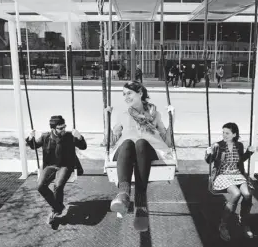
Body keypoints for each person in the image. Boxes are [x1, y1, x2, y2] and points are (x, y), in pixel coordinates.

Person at [104, 81, 175, 232]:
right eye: (124, 94)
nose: (126, 97)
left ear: (140, 93)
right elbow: (110, 141)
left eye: (129, 93)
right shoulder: (123, 115)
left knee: (141, 143)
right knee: (129, 142)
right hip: (125, 152)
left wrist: (172, 119)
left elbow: (167, 141)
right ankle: (123, 194)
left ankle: (140, 203)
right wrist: (106, 119)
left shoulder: (154, 115)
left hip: (147, 151)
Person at [26, 115, 87, 227]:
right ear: (53, 128)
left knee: (58, 186)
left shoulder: (69, 136)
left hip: (65, 166)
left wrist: (79, 137)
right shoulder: (45, 137)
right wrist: (30, 138)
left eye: (64, 127)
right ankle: (59, 208)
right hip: (50, 166)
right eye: (60, 128)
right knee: (40, 186)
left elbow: (83, 146)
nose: (63, 130)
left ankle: (57, 212)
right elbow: (34, 146)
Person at [205, 122, 256, 241]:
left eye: (227, 133)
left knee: (248, 195)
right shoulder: (217, 145)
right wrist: (208, 154)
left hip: (236, 174)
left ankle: (243, 222)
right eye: (223, 132)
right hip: (223, 174)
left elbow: (240, 160)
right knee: (236, 194)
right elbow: (209, 161)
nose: (224, 135)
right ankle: (223, 226)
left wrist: (249, 152)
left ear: (234, 134)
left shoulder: (239, 145)